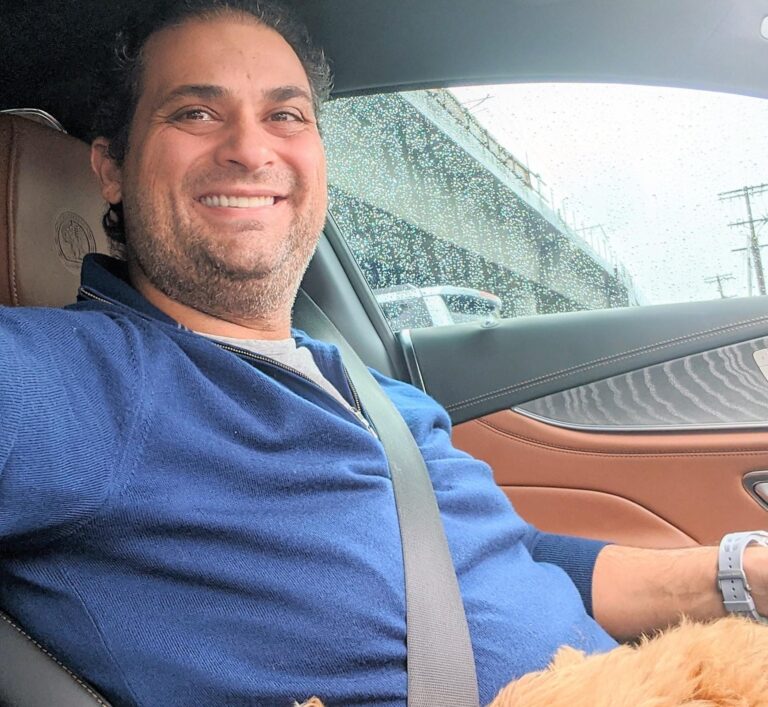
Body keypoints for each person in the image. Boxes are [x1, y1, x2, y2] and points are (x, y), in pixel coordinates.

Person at [0, 1, 765, 705]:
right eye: (195, 111)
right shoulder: (81, 381)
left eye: (286, 114)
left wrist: (740, 572)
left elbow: (514, 553)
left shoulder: (376, 391)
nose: (248, 147)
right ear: (110, 166)